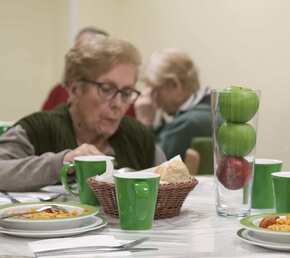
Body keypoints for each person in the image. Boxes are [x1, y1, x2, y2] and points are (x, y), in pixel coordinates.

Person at [0, 36, 166, 191]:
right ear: (75, 89)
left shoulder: (137, 136)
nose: (118, 104)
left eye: (126, 92)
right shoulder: (37, 129)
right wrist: (63, 162)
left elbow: (170, 182)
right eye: (106, 89)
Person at [41, 26, 136, 117]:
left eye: (93, 54)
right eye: (78, 53)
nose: (83, 59)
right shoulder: (57, 92)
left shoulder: (123, 97)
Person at [135, 49, 212, 160]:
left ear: (175, 85)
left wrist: (144, 124)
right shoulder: (211, 111)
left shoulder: (185, 124)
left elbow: (148, 165)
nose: (153, 98)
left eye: (155, 89)